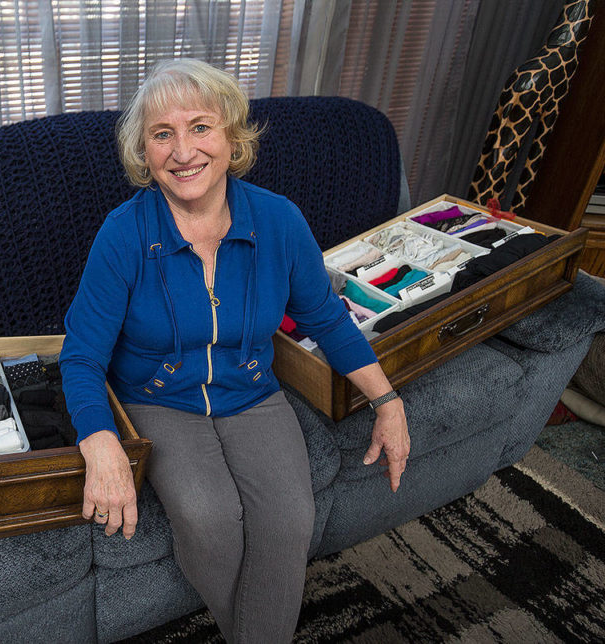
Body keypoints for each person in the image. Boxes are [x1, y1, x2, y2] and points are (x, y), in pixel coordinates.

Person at [59, 58, 410, 642]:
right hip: (157, 399)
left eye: (200, 127)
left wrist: (388, 402)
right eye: (162, 134)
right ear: (144, 153)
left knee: (290, 521)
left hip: (252, 392)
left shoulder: (278, 220)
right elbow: (81, 356)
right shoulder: (123, 233)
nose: (183, 151)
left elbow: (327, 317)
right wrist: (100, 444)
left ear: (231, 137)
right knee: (209, 520)